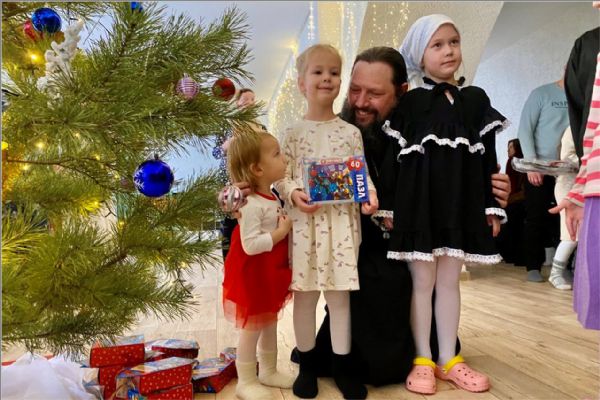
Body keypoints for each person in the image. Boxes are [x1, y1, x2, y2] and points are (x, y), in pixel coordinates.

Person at [218, 47, 512, 387]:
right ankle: (332, 360)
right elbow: (272, 177)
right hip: (343, 251)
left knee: (394, 314)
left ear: (401, 93)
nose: (360, 102)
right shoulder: (320, 131)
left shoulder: (413, 135)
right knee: (357, 321)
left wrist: (489, 192)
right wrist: (235, 195)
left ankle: (424, 355)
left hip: (392, 256)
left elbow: (453, 181)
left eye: (374, 94)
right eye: (355, 90)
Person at [376, 14, 507, 394]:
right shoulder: (411, 104)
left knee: (450, 282)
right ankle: (422, 359)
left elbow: (488, 159)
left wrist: (490, 206)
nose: (448, 51)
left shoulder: (476, 100)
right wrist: (389, 209)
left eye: (453, 41)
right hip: (419, 208)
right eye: (437, 45)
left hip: (459, 206)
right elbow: (394, 162)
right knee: (422, 282)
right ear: (420, 54)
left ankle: (449, 358)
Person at [273, 44, 378, 400]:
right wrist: (293, 193)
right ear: (301, 83)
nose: (327, 78)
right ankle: (307, 367)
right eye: (318, 72)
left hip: (343, 228)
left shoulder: (350, 132)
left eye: (334, 72)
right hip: (305, 228)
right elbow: (281, 176)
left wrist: (370, 195)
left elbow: (361, 173)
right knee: (304, 298)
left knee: (339, 299)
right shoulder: (292, 132)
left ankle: (343, 367)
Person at [221, 128, 295, 400]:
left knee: (270, 320)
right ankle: (246, 380)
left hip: (269, 271)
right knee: (252, 328)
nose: (284, 158)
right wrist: (281, 233)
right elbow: (250, 245)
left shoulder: (271, 195)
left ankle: (269, 370)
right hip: (253, 273)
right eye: (277, 154)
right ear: (257, 169)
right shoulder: (251, 204)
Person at [517, 76, 569, 282]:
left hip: (567, 170)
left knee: (565, 220)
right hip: (539, 169)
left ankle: (563, 267)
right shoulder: (541, 94)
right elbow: (525, 130)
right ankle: (533, 266)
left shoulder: (582, 96)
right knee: (536, 217)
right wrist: (532, 165)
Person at [213, 88, 260, 261]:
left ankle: (249, 263)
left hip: (252, 180)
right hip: (228, 180)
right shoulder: (226, 124)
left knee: (251, 220)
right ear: (237, 102)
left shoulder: (260, 127)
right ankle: (228, 262)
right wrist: (227, 145)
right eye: (246, 99)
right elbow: (215, 153)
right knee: (229, 223)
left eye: (252, 99)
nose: (249, 103)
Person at [549, 127, 579, 290]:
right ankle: (556, 273)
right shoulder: (573, 128)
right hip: (569, 184)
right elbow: (568, 156)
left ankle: (578, 272)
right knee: (571, 233)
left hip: (584, 185)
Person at [565, 25, 599, 158]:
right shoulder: (586, 43)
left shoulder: (587, 42)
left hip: (593, 153)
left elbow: (576, 106)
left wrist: (582, 155)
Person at [496, 138, 527, 265]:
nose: (508, 150)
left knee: (511, 229)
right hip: (518, 201)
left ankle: (510, 255)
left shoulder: (513, 161)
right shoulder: (520, 161)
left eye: (511, 147)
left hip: (515, 202)